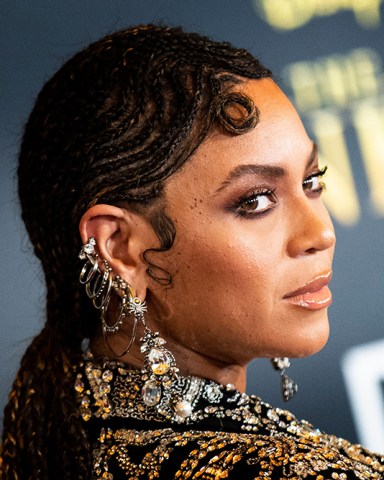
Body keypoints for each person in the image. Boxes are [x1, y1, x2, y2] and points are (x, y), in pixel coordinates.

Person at [0, 24, 382, 480]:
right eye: (255, 200)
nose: (321, 232)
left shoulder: (62, 434)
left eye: (311, 181)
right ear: (120, 248)